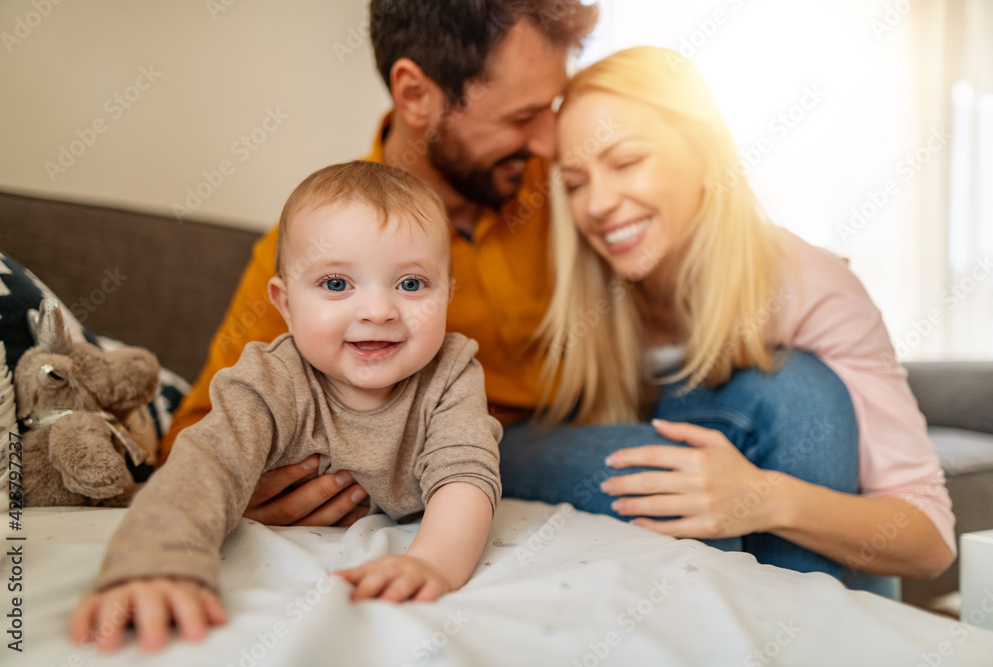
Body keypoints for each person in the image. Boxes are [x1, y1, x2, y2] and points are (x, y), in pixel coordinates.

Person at [517, 45, 953, 590]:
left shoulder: (806, 284)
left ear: (703, 154)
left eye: (627, 161)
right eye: (576, 182)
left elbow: (932, 544)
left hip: (804, 512)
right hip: (638, 471)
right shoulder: (584, 292)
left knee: (801, 390)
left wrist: (763, 499)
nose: (598, 203)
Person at [158, 0, 599, 528]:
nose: (550, 141)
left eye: (552, 107)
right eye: (522, 116)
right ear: (416, 94)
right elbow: (195, 434)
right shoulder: (314, 257)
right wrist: (243, 488)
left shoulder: (570, 183)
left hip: (597, 410)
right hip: (468, 446)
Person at [70, 161, 503, 651]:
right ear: (284, 302)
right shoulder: (271, 379)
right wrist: (157, 561)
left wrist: (430, 562)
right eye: (337, 284)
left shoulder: (452, 371)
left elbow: (464, 472)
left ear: (447, 293)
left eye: (411, 284)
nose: (378, 311)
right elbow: (209, 464)